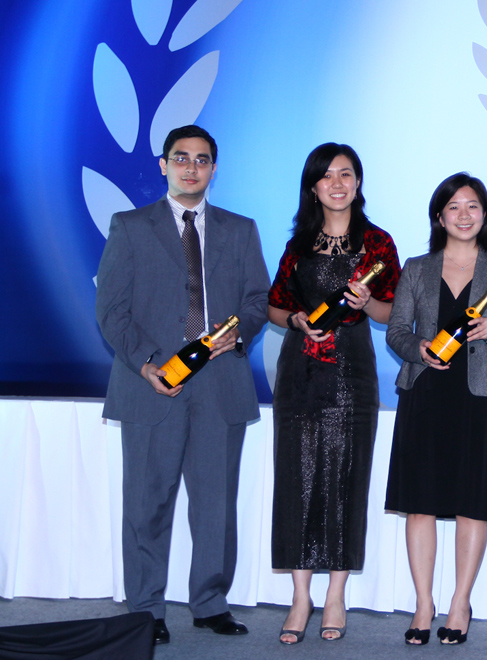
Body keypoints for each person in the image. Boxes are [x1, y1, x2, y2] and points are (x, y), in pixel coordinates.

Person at [95, 125, 270, 645]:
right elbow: (111, 311)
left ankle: (210, 603)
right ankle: (146, 609)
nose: (191, 167)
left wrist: (239, 332)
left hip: (221, 384)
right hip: (152, 384)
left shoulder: (241, 230)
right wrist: (149, 363)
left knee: (215, 504)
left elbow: (258, 301)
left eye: (201, 159)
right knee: (147, 504)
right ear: (163, 165)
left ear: (215, 168)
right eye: (181, 157)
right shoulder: (129, 226)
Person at [384, 173, 487, 646]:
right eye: (454, 207)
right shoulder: (416, 267)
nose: (464, 215)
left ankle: (460, 602)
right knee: (420, 504)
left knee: (472, 503)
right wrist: (419, 348)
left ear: (485, 214)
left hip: (474, 397)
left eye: (473, 206)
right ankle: (423, 604)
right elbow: (396, 332)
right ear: (439, 216)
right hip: (423, 393)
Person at [267, 143, 400, 644]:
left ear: (358, 182)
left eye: (346, 174)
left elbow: (394, 312)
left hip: (352, 371)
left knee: (346, 478)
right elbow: (275, 307)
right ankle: (300, 597)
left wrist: (368, 305)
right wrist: (296, 320)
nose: (337, 183)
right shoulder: (298, 244)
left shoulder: (377, 243)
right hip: (299, 371)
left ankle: (337, 595)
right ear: (313, 186)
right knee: (296, 478)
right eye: (327, 176)